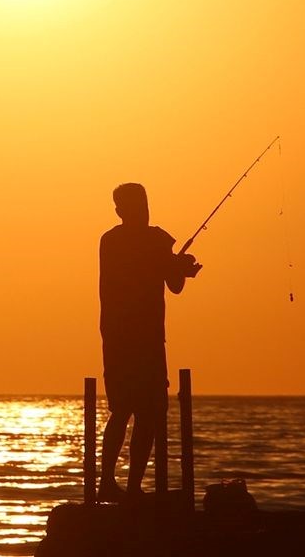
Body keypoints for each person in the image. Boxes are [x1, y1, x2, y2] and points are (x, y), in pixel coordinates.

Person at [97, 183, 201, 502]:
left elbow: (175, 285)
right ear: (120, 210)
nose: (143, 210)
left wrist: (179, 267)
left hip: (149, 340)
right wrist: (174, 265)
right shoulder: (114, 241)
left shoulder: (156, 240)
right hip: (122, 339)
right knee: (124, 409)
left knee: (150, 412)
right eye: (134, 205)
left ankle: (131, 487)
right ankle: (109, 482)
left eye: (144, 203)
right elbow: (150, 273)